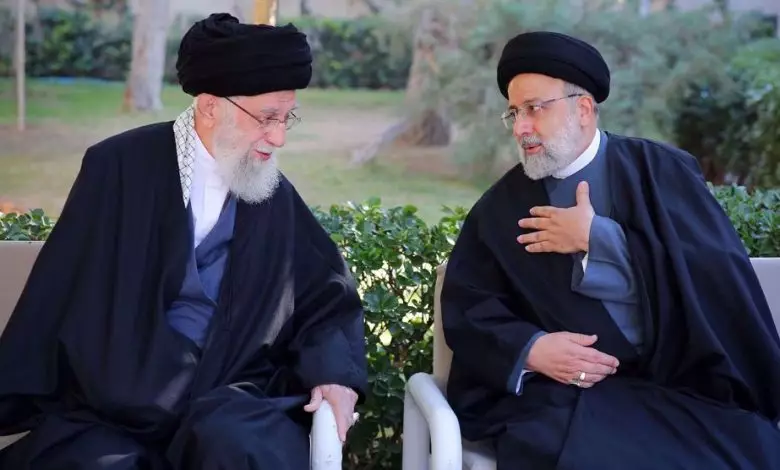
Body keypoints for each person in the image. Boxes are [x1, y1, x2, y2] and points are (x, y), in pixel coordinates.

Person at [0, 13, 367, 470]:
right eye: (267, 118)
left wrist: (334, 373)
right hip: (114, 407)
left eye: (286, 118)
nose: (279, 137)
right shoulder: (118, 167)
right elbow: (62, 288)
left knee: (239, 445)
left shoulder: (271, 192)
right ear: (210, 107)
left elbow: (324, 297)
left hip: (228, 395)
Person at [440, 30, 780, 470]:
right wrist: (531, 349)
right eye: (514, 113)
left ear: (583, 109)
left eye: (534, 108)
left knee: (754, 448)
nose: (521, 128)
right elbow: (470, 308)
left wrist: (597, 239)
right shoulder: (499, 211)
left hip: (683, 387)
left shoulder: (661, 170)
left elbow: (714, 273)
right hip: (572, 399)